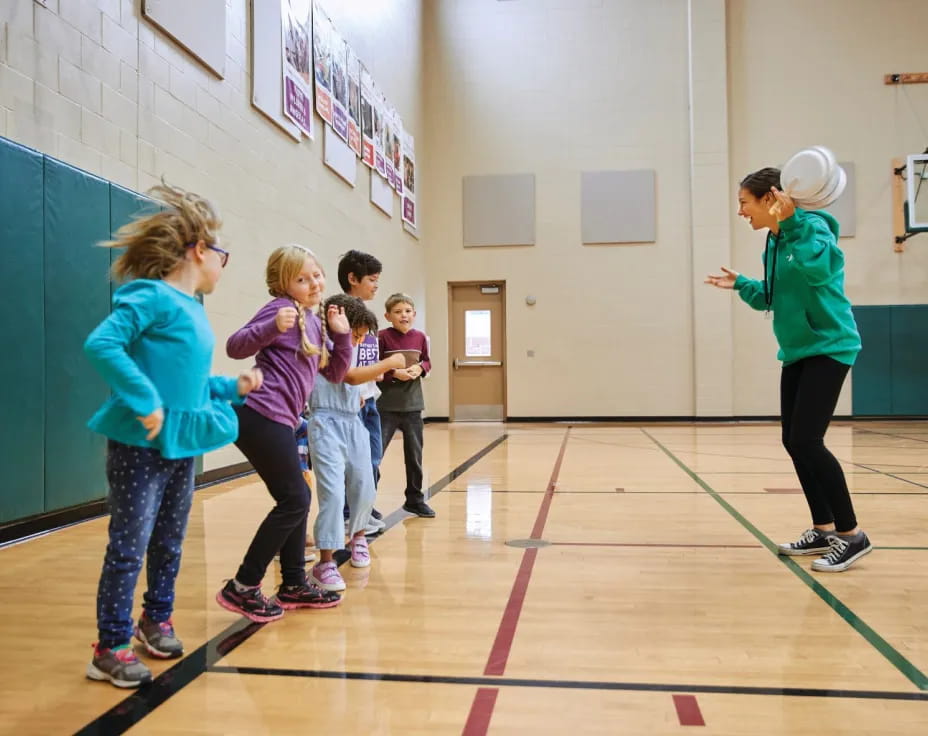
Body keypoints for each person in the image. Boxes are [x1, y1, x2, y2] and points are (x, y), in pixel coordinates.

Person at [84, 184, 262, 687]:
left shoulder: (194, 309)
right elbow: (103, 343)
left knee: (170, 542)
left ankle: (155, 619)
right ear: (200, 250)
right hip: (138, 445)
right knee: (129, 545)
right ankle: (109, 646)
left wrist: (232, 386)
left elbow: (188, 384)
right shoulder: (152, 296)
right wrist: (145, 401)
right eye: (223, 255)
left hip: (180, 446)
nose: (225, 266)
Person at [705, 167, 871, 572]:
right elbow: (772, 297)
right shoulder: (774, 241)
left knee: (809, 441)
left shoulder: (814, 229)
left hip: (831, 346)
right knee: (794, 441)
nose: (741, 211)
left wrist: (794, 221)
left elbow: (821, 270)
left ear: (770, 200)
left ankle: (852, 536)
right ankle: (824, 528)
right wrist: (744, 284)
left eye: (745, 202)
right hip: (798, 349)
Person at [216, 244, 352, 621]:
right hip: (259, 414)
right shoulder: (281, 310)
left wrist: (341, 337)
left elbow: (336, 374)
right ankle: (243, 586)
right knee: (294, 498)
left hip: (281, 420)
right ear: (282, 284)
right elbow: (234, 346)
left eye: (317, 274)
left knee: (297, 497)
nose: (313, 282)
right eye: (302, 278)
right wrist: (270, 328)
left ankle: (293, 583)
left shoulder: (314, 319)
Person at [308, 295, 406, 592]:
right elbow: (349, 377)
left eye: (362, 335)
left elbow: (360, 383)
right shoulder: (320, 347)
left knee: (365, 484)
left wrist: (367, 391)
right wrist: (389, 363)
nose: (358, 339)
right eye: (355, 333)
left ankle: (359, 537)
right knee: (333, 494)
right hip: (325, 422)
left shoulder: (355, 348)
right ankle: (325, 561)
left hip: (353, 420)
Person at [377, 293, 435, 518]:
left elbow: (427, 360)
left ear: (414, 314)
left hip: (413, 407)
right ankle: (366, 502)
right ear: (388, 316)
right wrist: (393, 373)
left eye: (408, 311)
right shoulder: (381, 337)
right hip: (385, 407)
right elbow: (374, 366)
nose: (404, 315)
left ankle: (414, 499)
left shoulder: (420, 337)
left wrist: (421, 368)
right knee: (375, 455)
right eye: (398, 312)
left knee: (414, 456)